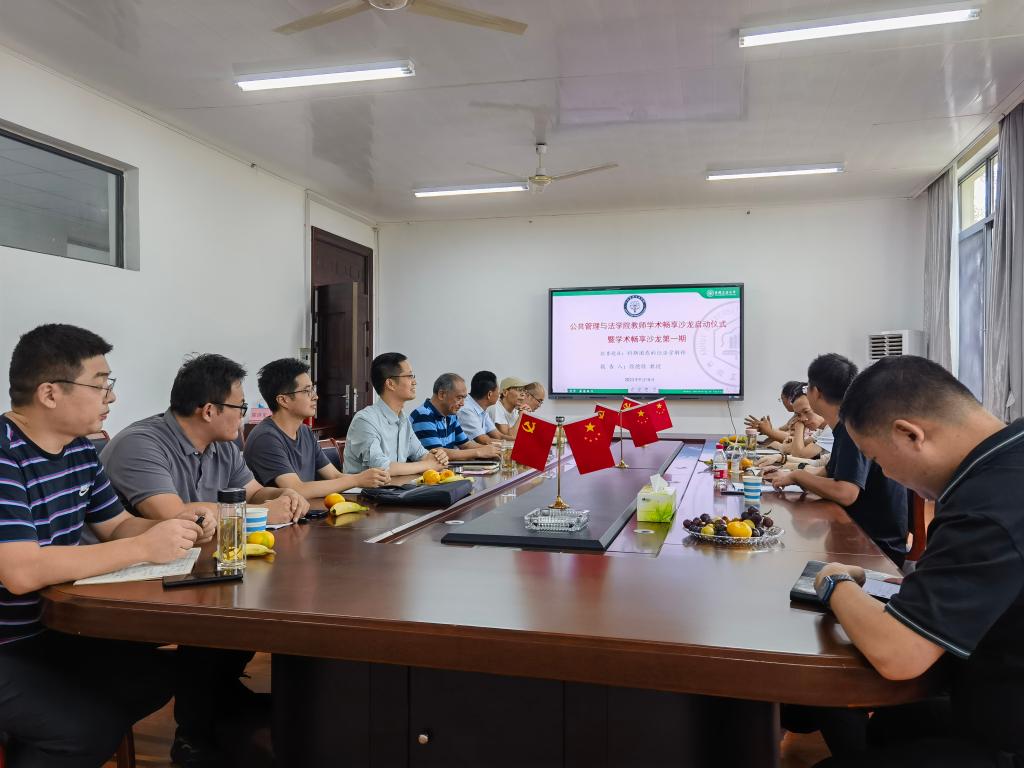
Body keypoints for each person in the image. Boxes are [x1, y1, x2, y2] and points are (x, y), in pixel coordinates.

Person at [0, 324, 206, 768]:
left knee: (159, 676)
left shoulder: (79, 450)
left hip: (47, 627)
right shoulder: (5, 454)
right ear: (50, 393)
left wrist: (175, 527)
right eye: (100, 385)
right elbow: (20, 571)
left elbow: (117, 526)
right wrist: (145, 548)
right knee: (83, 729)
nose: (111, 397)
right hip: (7, 640)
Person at [809, 355, 1024, 767]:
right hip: (989, 690)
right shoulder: (1005, 459)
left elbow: (899, 654)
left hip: (1007, 730)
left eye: (878, 460)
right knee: (893, 727)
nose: (888, 475)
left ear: (910, 434)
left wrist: (835, 581)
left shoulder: (987, 506)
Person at [101, 353, 310, 766]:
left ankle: (221, 702)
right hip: (133, 579)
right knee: (225, 607)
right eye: (240, 407)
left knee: (260, 592)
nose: (245, 416)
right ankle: (195, 732)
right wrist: (259, 510)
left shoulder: (224, 445)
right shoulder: (141, 444)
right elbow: (174, 514)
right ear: (209, 410)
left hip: (196, 564)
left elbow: (254, 492)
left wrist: (284, 494)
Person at [765, 354, 908, 567]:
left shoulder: (854, 428)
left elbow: (846, 493)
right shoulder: (846, 424)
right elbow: (827, 471)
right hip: (859, 535)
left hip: (874, 549)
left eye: (807, 387)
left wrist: (798, 475)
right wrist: (787, 475)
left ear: (815, 392)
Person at [244, 358, 389, 498]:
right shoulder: (266, 438)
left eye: (312, 389)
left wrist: (372, 478)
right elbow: (296, 489)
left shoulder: (304, 431)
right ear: (283, 400)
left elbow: (334, 476)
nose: (315, 397)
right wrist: (356, 480)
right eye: (307, 391)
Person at [342, 353, 447, 475]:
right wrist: (427, 464)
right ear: (390, 384)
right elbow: (382, 468)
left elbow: (421, 455)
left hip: (397, 485)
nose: (414, 382)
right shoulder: (364, 420)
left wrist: (437, 457)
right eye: (410, 376)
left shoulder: (403, 419)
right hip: (365, 488)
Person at [411, 374, 501, 461]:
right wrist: (479, 452)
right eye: (459, 398)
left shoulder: (451, 415)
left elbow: (466, 445)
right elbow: (438, 453)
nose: (462, 404)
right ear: (442, 394)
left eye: (464, 398)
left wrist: (493, 450)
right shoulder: (423, 415)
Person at [745, 380, 805, 445]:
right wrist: (764, 428)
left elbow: (794, 438)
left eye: (782, 399)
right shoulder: (796, 415)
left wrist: (768, 431)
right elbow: (781, 430)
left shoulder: (805, 417)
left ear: (791, 399)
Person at [457, 370, 503, 444]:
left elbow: (498, 436)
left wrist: (519, 442)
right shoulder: (465, 409)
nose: (499, 394)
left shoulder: (481, 408)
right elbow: (485, 441)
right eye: (498, 391)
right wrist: (513, 444)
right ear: (489, 394)